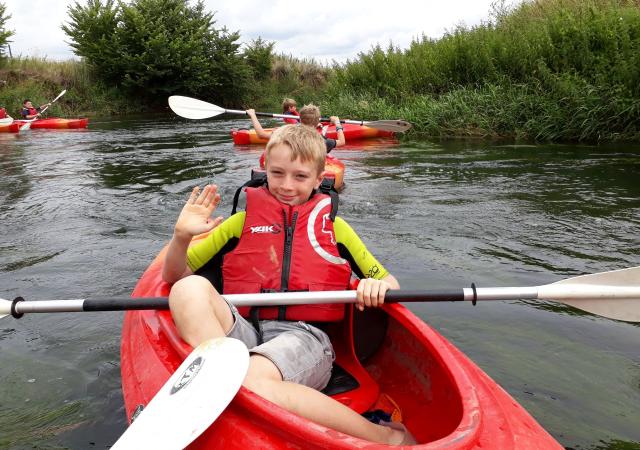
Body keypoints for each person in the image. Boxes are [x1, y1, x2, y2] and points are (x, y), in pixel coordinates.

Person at [163, 125, 415, 445]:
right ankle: (217, 375)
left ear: (318, 177)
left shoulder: (336, 228)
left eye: (299, 176)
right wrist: (181, 236)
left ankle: (386, 438)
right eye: (277, 173)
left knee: (252, 376)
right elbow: (174, 275)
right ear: (264, 167)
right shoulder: (239, 223)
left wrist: (375, 287)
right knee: (187, 289)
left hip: (305, 337)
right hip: (243, 328)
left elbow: (388, 281)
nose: (286, 185)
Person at [247, 103, 346, 153]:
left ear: (300, 118)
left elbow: (260, 134)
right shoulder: (322, 141)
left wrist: (253, 115)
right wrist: (337, 123)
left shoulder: (287, 134)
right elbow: (342, 141)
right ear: (317, 123)